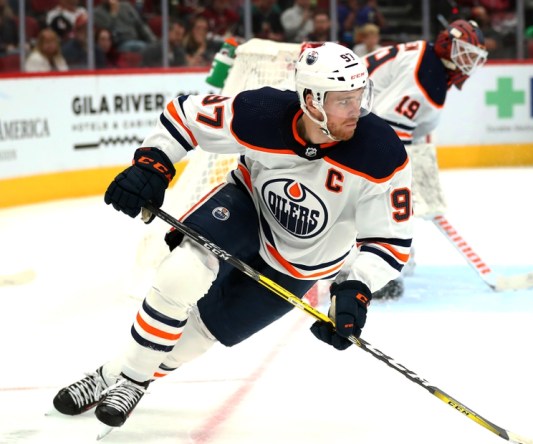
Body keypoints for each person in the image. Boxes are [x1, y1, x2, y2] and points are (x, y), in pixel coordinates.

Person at [51, 42, 412, 430]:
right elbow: (184, 114)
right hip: (246, 209)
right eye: (344, 100)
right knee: (181, 274)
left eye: (360, 97)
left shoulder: (381, 153)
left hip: (302, 263)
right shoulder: (262, 113)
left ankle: (110, 376)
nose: (356, 109)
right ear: (310, 99)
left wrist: (355, 288)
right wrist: (152, 164)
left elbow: (389, 242)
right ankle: (134, 382)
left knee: (198, 337)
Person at [355, 19, 487, 300]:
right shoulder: (428, 73)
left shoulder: (431, 64)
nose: (469, 61)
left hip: (358, 122)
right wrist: (402, 173)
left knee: (383, 199)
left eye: (473, 55)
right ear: (446, 45)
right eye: (465, 52)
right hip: (356, 127)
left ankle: (382, 262)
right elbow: (390, 125)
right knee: (379, 198)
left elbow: (408, 124)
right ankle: (364, 272)